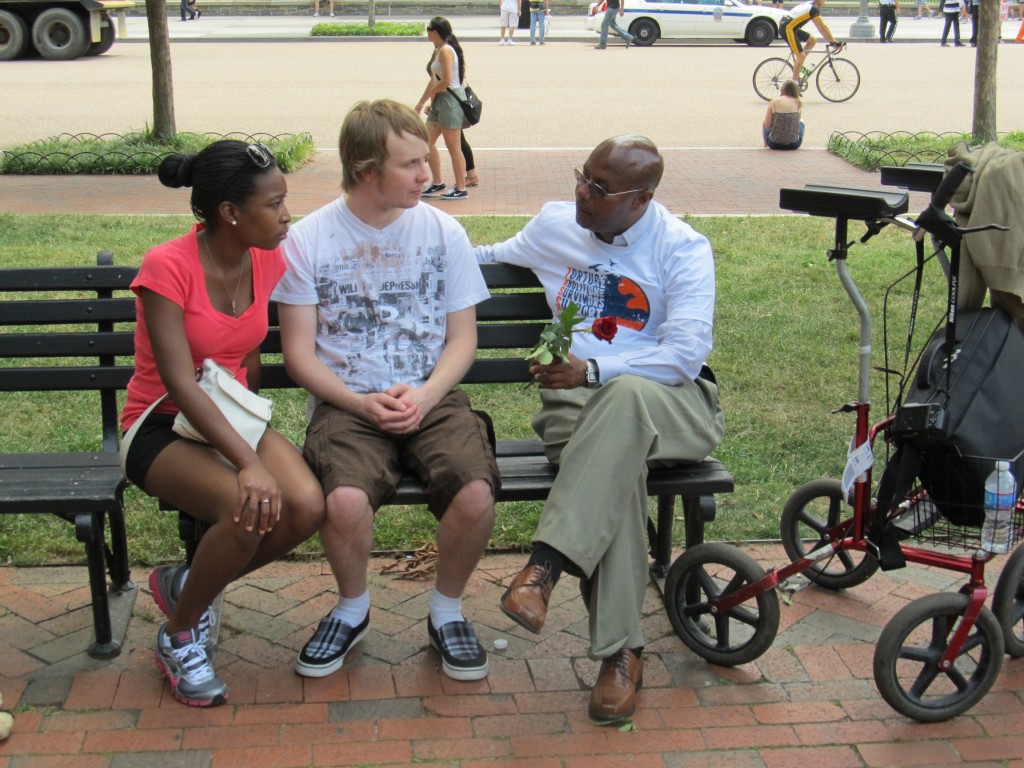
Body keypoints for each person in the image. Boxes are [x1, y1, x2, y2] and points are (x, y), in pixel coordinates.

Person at [476, 135, 725, 724]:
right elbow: (486, 256)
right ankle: (622, 652)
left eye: (600, 187)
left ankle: (546, 567)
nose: (582, 193)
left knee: (628, 396)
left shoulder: (683, 249)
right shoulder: (555, 226)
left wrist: (594, 368)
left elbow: (685, 356)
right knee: (617, 468)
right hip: (577, 415)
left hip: (671, 407)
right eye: (582, 177)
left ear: (641, 200)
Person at [273, 99, 500, 684]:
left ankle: (446, 611)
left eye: (426, 159)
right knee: (344, 500)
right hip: (346, 403)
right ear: (366, 169)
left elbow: (462, 341)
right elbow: (298, 353)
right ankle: (353, 608)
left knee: (474, 493)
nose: (427, 174)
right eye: (411, 164)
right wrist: (355, 402)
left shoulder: (443, 231)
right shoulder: (307, 240)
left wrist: (425, 396)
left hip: (434, 395)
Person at [121, 140, 326, 707]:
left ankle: (190, 587)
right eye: (274, 203)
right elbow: (180, 381)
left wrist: (251, 432)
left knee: (307, 505)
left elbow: (249, 354)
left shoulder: (268, 258)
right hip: (159, 424)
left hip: (228, 419)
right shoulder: (167, 267)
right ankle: (179, 633)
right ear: (230, 213)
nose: (288, 215)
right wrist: (248, 460)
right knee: (248, 506)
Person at [416, 17, 470, 201]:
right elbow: (435, 80)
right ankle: (438, 181)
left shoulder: (446, 51)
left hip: (449, 101)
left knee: (453, 147)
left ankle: (461, 187)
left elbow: (446, 81)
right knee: (426, 142)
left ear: (436, 32)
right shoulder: (439, 51)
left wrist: (430, 97)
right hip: (440, 100)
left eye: (429, 30)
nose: (427, 33)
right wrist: (424, 101)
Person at [780, 0, 842, 80]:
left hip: (791, 27)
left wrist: (832, 40)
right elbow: (823, 27)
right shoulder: (813, 9)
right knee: (801, 57)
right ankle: (794, 85)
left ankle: (798, 65)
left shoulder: (811, 5)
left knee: (812, 40)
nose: (825, 1)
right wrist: (833, 42)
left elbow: (820, 27)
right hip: (788, 29)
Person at [763, 79, 804, 150]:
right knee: (802, 122)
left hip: (773, 143)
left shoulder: (773, 102)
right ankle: (793, 138)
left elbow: (767, 125)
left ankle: (765, 144)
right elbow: (796, 123)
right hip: (794, 144)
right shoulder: (798, 103)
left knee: (764, 122)